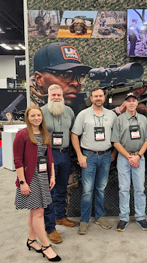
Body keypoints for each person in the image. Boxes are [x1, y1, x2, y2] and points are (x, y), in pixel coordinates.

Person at [13, 105, 61, 262]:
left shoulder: (44, 133)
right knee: (39, 212)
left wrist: (52, 175)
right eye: (32, 116)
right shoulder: (22, 135)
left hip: (43, 176)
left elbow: (50, 157)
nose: (36, 118)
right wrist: (22, 182)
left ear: (42, 117)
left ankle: (32, 240)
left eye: (38, 115)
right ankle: (46, 246)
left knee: (35, 211)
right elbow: (18, 160)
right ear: (28, 118)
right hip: (30, 178)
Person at [71, 87, 117, 235]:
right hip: (88, 157)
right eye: (95, 96)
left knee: (101, 189)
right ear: (91, 98)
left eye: (100, 96)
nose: (98, 98)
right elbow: (74, 135)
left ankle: (99, 216)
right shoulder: (83, 115)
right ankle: (84, 221)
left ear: (104, 97)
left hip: (105, 156)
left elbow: (117, 136)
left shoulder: (111, 115)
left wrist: (114, 153)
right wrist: (79, 155)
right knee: (87, 190)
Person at [111, 93, 147, 231]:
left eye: (134, 101)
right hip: (124, 158)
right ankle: (124, 217)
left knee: (140, 189)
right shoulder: (119, 120)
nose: (132, 103)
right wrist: (129, 157)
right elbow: (115, 142)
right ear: (125, 104)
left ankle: (140, 217)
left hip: (139, 158)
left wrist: (138, 156)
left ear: (137, 103)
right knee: (124, 189)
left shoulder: (144, 120)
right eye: (129, 101)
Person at [41, 84, 76, 244]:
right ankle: (49, 227)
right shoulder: (40, 112)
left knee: (62, 188)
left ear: (62, 96)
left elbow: (72, 132)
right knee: (49, 191)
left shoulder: (69, 111)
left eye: (58, 95)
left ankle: (60, 217)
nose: (56, 97)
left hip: (65, 154)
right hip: (49, 154)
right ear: (48, 96)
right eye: (53, 95)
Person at [30, 42, 92, 113]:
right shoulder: (25, 110)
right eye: (65, 75)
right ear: (39, 79)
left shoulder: (82, 106)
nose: (76, 83)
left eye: (80, 76)